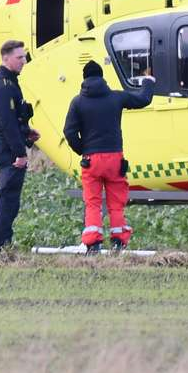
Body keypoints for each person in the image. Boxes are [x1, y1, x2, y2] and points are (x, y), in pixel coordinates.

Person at [63, 61, 155, 253]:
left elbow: (69, 132)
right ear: (102, 77)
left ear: (84, 78)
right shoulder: (115, 97)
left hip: (91, 160)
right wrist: (148, 80)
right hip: (114, 158)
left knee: (93, 202)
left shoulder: (77, 102)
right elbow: (144, 99)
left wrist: (82, 150)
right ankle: (119, 242)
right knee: (116, 203)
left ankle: (93, 244)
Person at [0, 39, 39, 252]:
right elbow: (7, 124)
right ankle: (1, 247)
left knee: (7, 200)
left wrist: (27, 132)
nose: (23, 61)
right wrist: (20, 153)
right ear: (6, 58)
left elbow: (12, 120)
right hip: (8, 149)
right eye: (19, 57)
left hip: (6, 145)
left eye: (24, 56)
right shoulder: (5, 86)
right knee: (8, 201)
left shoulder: (7, 82)